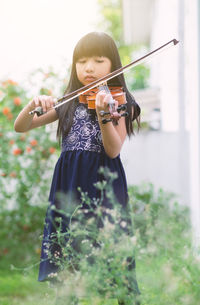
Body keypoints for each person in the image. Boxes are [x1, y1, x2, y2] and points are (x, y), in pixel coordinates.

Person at [14, 32, 141, 305]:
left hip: (103, 184)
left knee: (112, 248)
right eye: (81, 61)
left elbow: (113, 149)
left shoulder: (118, 102)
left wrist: (103, 113)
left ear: (113, 63)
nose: (89, 67)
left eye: (98, 60)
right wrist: (33, 104)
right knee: (68, 251)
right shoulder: (69, 101)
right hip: (69, 184)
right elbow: (21, 126)